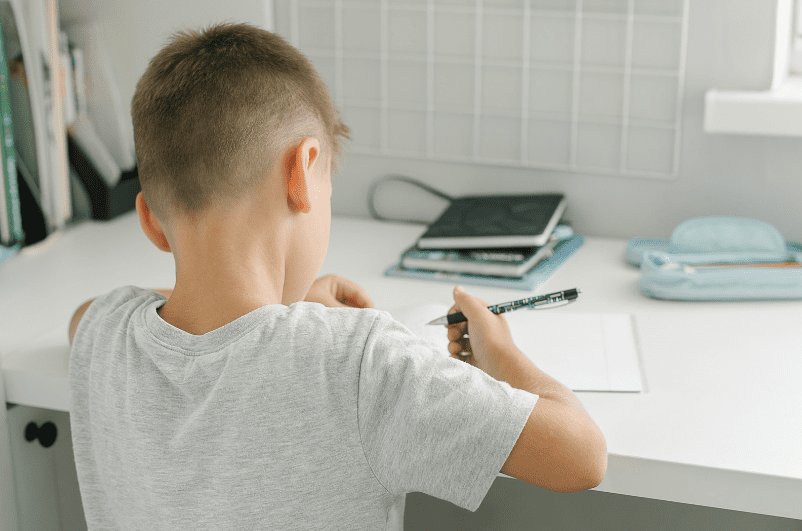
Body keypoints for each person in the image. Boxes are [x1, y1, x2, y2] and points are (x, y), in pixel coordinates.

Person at [67, 22, 606, 530]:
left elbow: (87, 315)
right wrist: (501, 355)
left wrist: (293, 307)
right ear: (301, 172)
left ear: (150, 223)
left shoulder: (105, 332)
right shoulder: (358, 363)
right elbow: (581, 458)